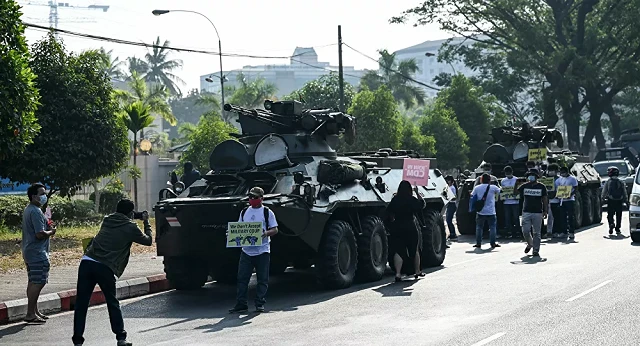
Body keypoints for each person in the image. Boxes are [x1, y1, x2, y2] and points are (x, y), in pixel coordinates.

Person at [72, 199, 153, 346]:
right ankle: (121, 338)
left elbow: (120, 219)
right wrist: (146, 222)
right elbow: (148, 241)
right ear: (130, 213)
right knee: (112, 302)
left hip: (87, 262)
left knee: (81, 304)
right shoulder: (130, 227)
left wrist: (131, 215)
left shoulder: (107, 220)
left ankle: (77, 341)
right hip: (105, 267)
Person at [229, 187, 279, 313]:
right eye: (250, 197)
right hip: (246, 251)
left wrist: (265, 233)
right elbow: (240, 228)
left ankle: (260, 303)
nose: (252, 199)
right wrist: (231, 235)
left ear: (261, 198)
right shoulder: (244, 211)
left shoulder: (267, 212)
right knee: (242, 278)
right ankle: (241, 303)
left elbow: (275, 229)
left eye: (255, 197)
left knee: (262, 279)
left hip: (262, 250)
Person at [21, 183, 55, 324]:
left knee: (33, 281)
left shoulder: (32, 209)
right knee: (38, 282)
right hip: (37, 253)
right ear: (34, 196)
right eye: (41, 193)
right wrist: (51, 232)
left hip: (30, 251)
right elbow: (39, 234)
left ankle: (34, 311)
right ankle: (30, 313)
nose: (44, 196)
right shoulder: (35, 211)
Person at [386, 180, 427, 282]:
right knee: (414, 249)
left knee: (398, 250)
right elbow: (422, 205)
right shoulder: (411, 199)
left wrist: (392, 222)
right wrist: (417, 193)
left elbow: (389, 212)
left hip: (397, 226)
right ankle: (417, 271)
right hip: (410, 226)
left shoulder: (395, 199)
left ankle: (398, 274)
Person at [518, 169, 548, 256]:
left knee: (537, 232)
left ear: (536, 177)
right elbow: (515, 192)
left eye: (533, 175)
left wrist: (545, 211)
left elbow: (545, 199)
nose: (531, 177)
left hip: (538, 212)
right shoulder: (525, 186)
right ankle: (530, 244)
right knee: (525, 231)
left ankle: (536, 250)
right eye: (529, 175)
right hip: (526, 211)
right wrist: (518, 184)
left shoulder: (541, 186)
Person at [470, 174, 501, 248]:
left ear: (481, 180)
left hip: (480, 211)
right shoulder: (493, 187)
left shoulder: (477, 188)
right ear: (489, 180)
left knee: (479, 227)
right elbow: (501, 191)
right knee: (493, 227)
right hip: (491, 211)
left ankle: (478, 243)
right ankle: (493, 243)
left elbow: (472, 195)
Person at [601, 166, 629, 236]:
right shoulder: (621, 182)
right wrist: (626, 200)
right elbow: (624, 192)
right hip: (619, 201)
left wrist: (602, 199)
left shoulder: (608, 182)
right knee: (619, 215)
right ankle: (618, 228)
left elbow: (604, 191)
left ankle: (611, 223)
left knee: (610, 214)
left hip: (611, 200)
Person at [555, 166, 579, 240]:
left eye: (563, 173)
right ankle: (564, 232)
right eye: (561, 173)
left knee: (571, 216)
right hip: (562, 200)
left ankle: (571, 232)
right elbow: (557, 188)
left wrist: (571, 194)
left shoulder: (572, 179)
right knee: (562, 217)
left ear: (567, 172)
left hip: (570, 200)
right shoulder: (559, 179)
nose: (562, 174)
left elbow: (576, 188)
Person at [501, 166, 521, 239]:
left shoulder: (516, 180)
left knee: (516, 218)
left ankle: (518, 232)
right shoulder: (503, 181)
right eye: (506, 173)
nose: (507, 174)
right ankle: (509, 232)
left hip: (515, 202)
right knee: (507, 218)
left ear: (512, 172)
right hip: (506, 202)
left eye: (508, 172)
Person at [546, 164, 561, 238]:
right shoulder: (546, 180)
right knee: (550, 217)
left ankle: (557, 231)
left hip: (557, 200)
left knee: (557, 217)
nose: (551, 172)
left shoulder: (559, 179)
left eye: (552, 170)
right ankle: (549, 231)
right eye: (550, 170)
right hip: (549, 201)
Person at [444, 176, 458, 241]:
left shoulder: (452, 188)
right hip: (450, 204)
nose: (447, 181)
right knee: (448, 220)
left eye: (448, 180)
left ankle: (453, 233)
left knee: (448, 220)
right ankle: (452, 233)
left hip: (452, 204)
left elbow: (454, 197)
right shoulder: (449, 187)